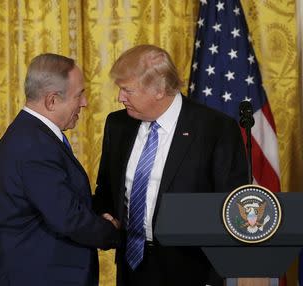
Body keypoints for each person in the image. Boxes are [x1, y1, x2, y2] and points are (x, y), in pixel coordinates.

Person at [93, 45, 248, 286]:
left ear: (159, 89)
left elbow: (230, 207)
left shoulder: (215, 129)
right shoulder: (118, 124)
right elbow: (106, 188)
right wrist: (103, 215)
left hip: (192, 270)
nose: (120, 98)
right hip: (131, 266)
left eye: (127, 90)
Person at [0, 53, 119, 286]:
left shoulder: (34, 136)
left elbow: (64, 199)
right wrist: (113, 231)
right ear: (51, 101)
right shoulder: (32, 145)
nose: (85, 103)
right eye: (79, 95)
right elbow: (67, 217)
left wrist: (103, 210)